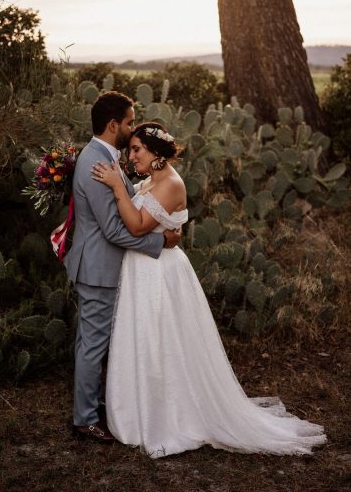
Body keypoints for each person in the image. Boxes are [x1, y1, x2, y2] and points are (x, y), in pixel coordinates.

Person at [91, 121, 327, 458]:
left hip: (160, 273)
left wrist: (117, 186)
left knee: (163, 341)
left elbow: (137, 224)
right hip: (144, 267)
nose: (131, 156)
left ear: (156, 152)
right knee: (143, 337)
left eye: (137, 149)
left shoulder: (170, 182)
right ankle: (137, 410)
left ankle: (167, 416)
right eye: (130, 149)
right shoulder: (153, 180)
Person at [65, 92, 181, 443]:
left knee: (94, 340)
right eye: (130, 122)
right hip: (99, 267)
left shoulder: (103, 157)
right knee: (93, 343)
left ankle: (94, 405)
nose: (133, 129)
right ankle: (85, 420)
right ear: (113, 124)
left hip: (103, 264)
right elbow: (114, 229)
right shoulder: (95, 165)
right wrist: (160, 242)